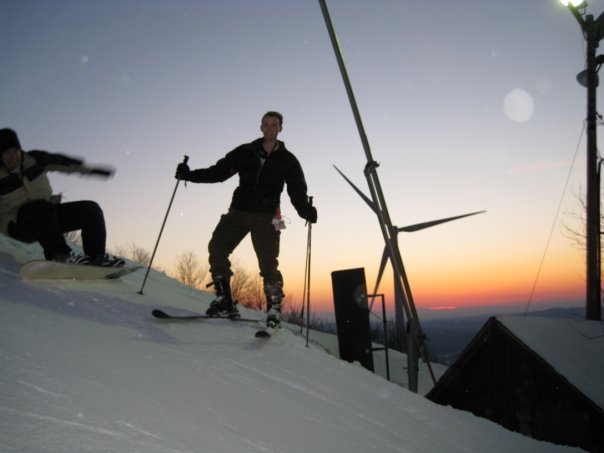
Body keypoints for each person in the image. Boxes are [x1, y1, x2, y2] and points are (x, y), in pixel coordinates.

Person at [175, 111, 317, 324]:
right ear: (260, 127)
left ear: (280, 128)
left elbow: (296, 189)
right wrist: (189, 175)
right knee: (217, 248)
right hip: (238, 212)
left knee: (268, 263)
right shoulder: (245, 152)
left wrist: (305, 209)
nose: (269, 128)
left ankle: (274, 308)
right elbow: (218, 172)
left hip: (269, 215)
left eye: (274, 125)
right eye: (266, 124)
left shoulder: (288, 160)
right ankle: (224, 300)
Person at [0, 128, 124, 267]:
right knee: (41, 207)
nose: (12, 156)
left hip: (47, 218)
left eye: (15, 150)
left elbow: (65, 163)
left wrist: (90, 170)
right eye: (6, 152)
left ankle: (97, 258)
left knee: (90, 209)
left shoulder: (35, 160)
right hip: (18, 225)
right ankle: (59, 255)